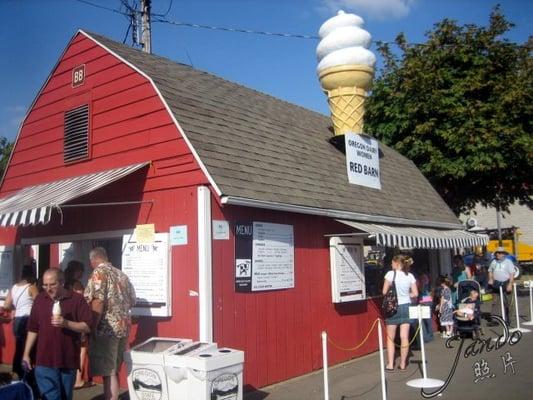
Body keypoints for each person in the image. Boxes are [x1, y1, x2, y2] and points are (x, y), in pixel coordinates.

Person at [22, 268, 92, 400]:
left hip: (67, 359)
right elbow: (33, 329)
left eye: (52, 284)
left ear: (62, 282)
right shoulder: (40, 300)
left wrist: (66, 323)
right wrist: (26, 354)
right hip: (44, 360)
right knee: (52, 397)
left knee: (65, 396)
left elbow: (87, 326)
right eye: (45, 285)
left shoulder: (76, 299)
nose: (48, 289)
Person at [84, 247, 136, 400]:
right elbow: (132, 300)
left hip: (106, 329)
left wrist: (92, 327)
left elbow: (98, 302)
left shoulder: (99, 273)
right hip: (123, 327)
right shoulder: (122, 275)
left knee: (108, 371)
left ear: (93, 260)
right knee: (114, 368)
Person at [2, 264, 39, 386]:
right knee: (29, 350)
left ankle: (16, 373)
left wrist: (17, 307)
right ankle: (28, 378)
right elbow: (39, 303)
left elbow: (6, 305)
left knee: (19, 348)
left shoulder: (14, 287)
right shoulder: (32, 287)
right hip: (28, 320)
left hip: (17, 320)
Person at [382, 255, 418, 371]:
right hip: (406, 306)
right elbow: (415, 294)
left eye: (392, 263)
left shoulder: (390, 274)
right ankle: (403, 364)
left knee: (391, 338)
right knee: (404, 337)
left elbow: (384, 291)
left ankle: (391, 364)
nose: (391, 265)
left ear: (397, 263)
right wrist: (407, 295)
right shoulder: (410, 275)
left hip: (393, 307)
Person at [64, 260, 90, 389]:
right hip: (79, 319)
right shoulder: (77, 285)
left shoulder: (64, 283)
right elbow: (84, 299)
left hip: (68, 318)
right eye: (81, 271)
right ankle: (78, 379)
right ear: (77, 271)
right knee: (82, 348)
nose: (82, 273)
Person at [488, 247, 515, 326]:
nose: (497, 254)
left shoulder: (508, 262)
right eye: (497, 253)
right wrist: (490, 279)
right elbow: (490, 271)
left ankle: (508, 319)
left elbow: (512, 274)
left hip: (506, 283)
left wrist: (510, 284)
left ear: (503, 254)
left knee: (508, 302)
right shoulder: (493, 262)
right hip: (496, 283)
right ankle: (494, 319)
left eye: (499, 253)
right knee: (495, 302)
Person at [416, 267, 433, 343]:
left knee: (425, 320)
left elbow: (421, 289)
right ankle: (430, 336)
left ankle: (427, 337)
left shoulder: (423, 278)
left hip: (424, 300)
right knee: (427, 320)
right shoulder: (428, 279)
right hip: (428, 300)